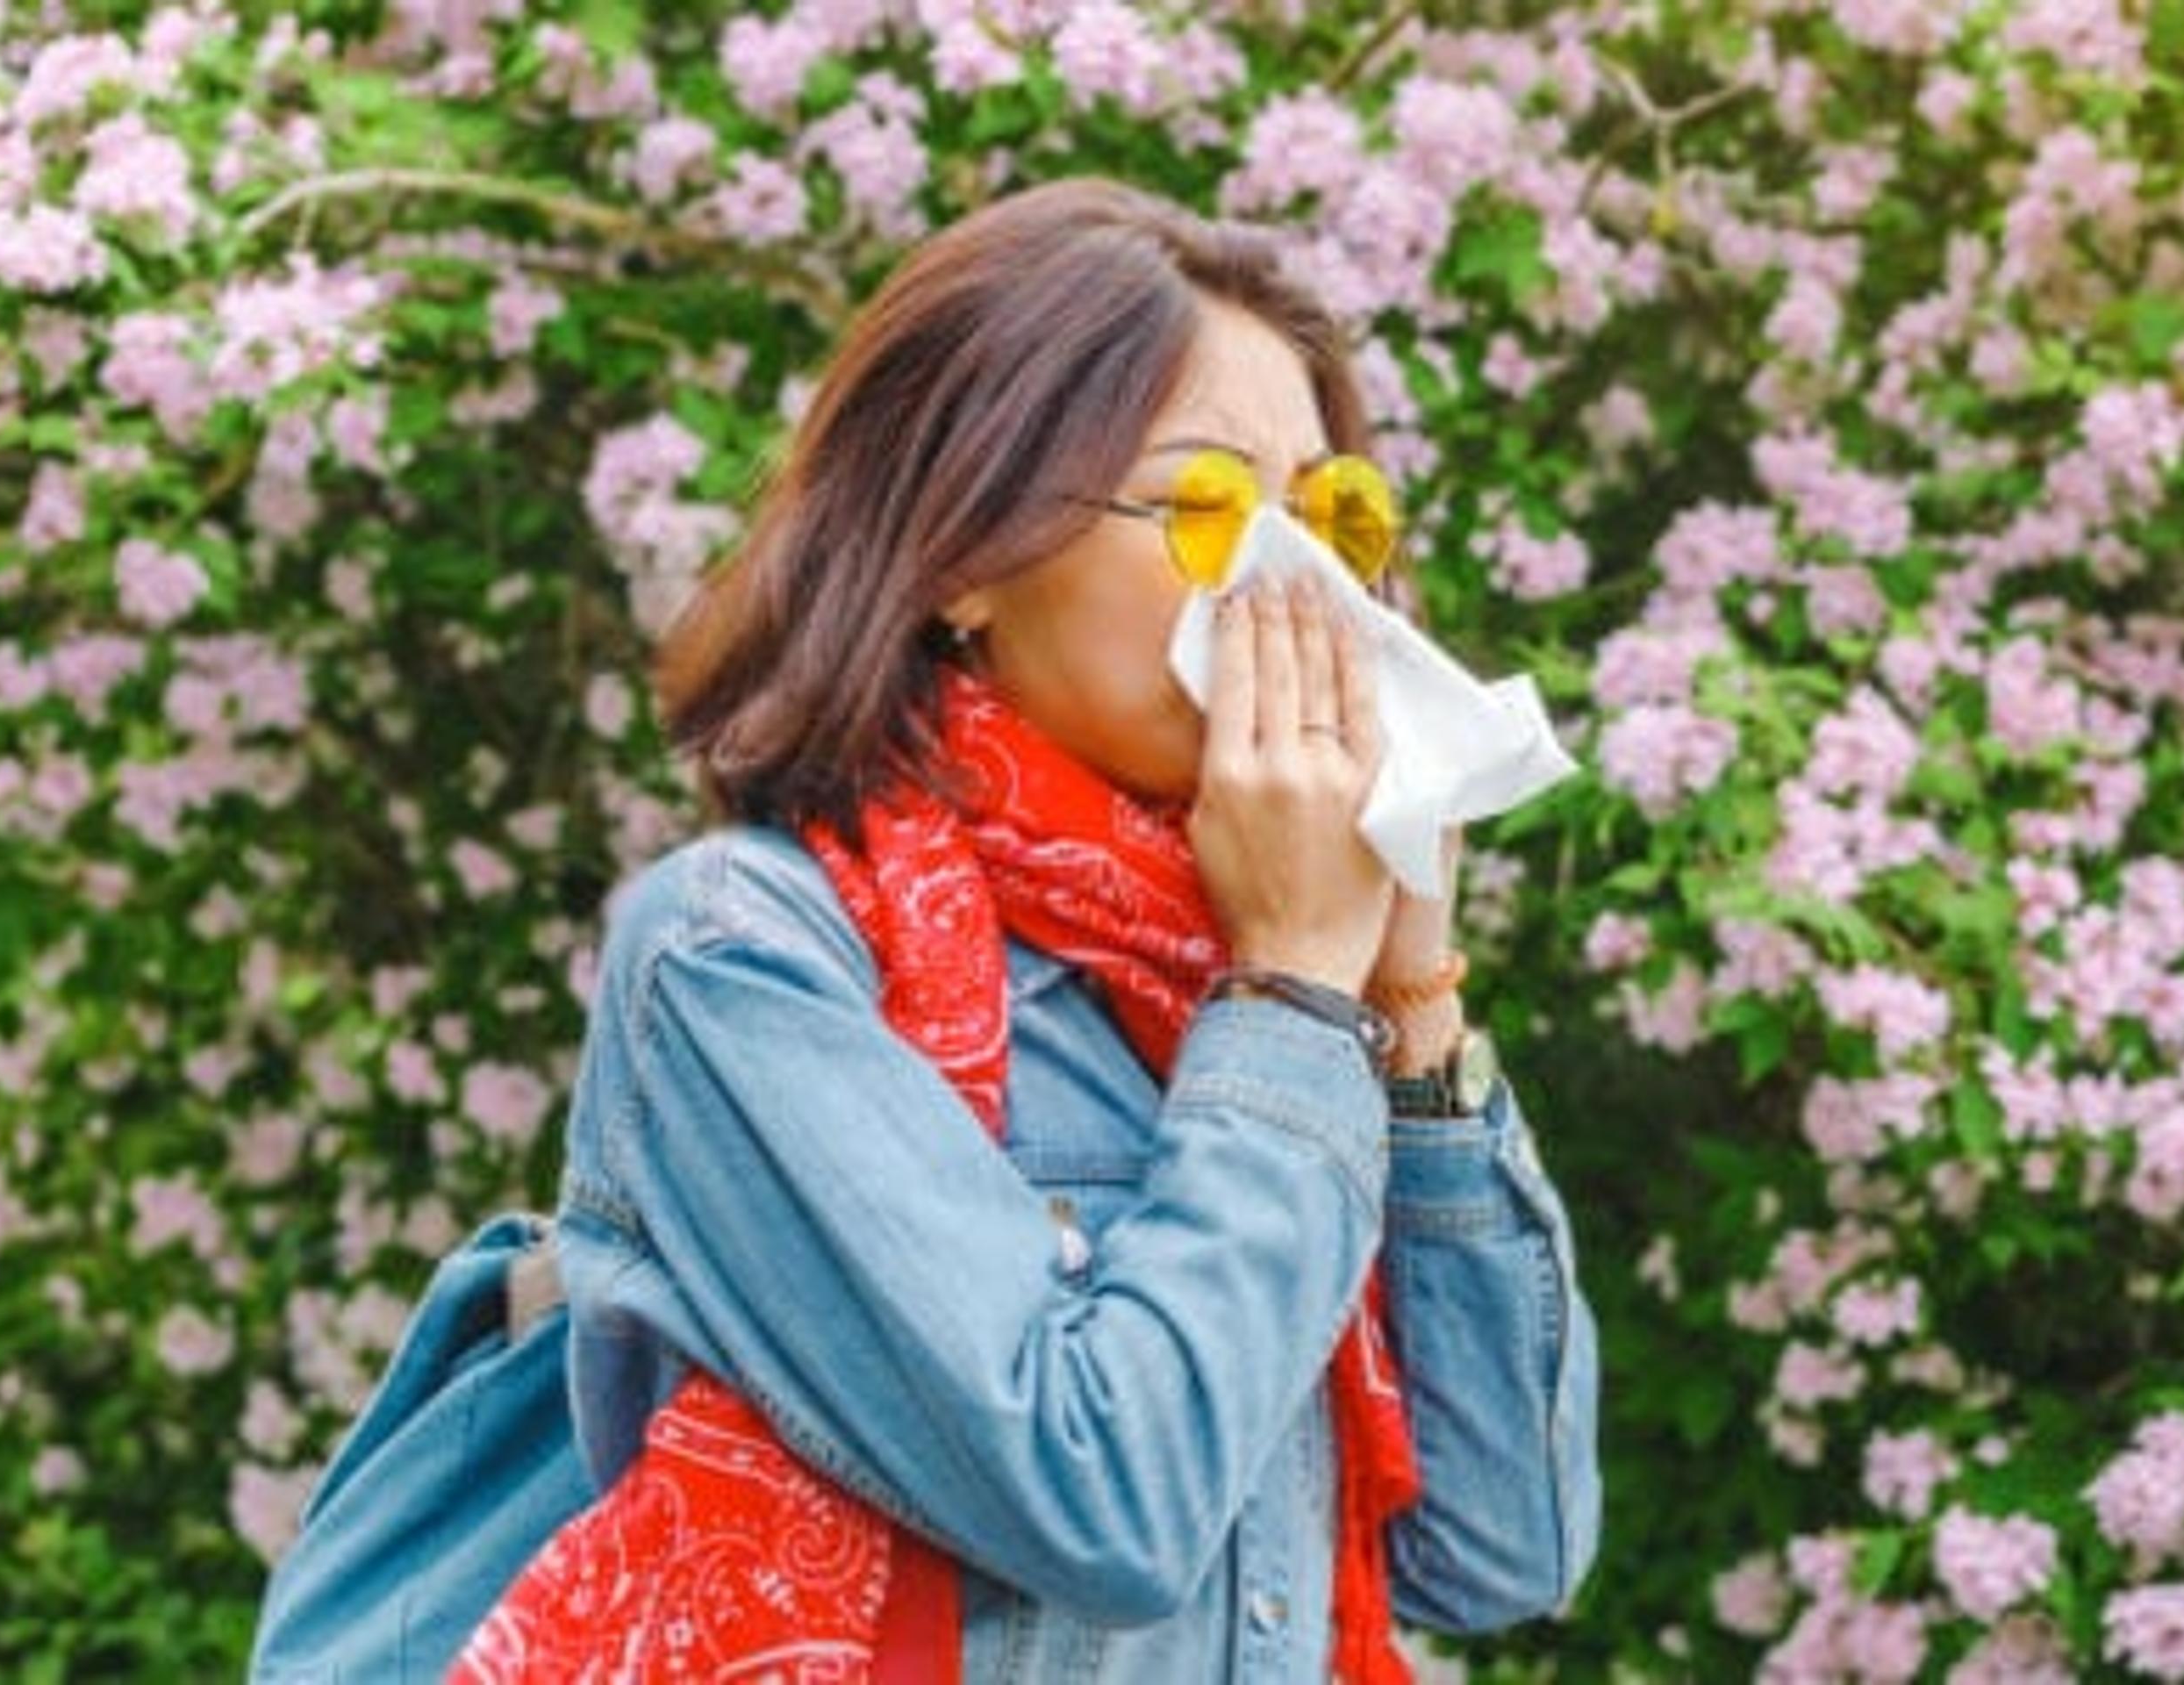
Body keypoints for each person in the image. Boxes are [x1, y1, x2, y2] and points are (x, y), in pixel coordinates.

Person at [453, 177, 1600, 1680]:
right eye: (1205, 507)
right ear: (963, 558)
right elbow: (1102, 1499)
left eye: (1332, 513)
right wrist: (1301, 996)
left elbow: (1502, 1546)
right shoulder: (748, 961)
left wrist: (1412, 998)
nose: (1300, 580)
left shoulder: (1244, 986)